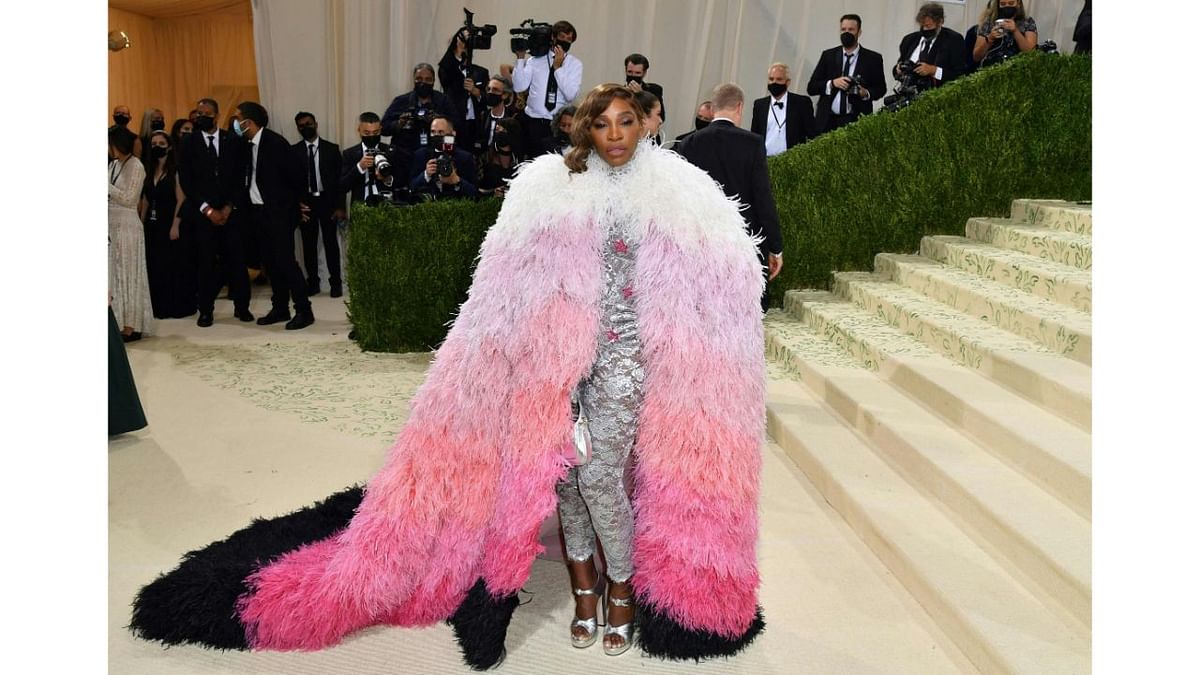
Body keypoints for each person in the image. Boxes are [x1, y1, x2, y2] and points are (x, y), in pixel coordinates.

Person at [131, 83, 767, 669]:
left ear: (645, 125)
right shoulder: (547, 187)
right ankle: (584, 589)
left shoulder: (683, 192)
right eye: (603, 124)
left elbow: (723, 280)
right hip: (552, 364)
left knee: (598, 474)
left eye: (628, 121)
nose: (617, 134)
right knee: (564, 478)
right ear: (585, 132)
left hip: (627, 364)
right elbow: (502, 284)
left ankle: (621, 591)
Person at [678, 82, 784, 312]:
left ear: (714, 108)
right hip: (744, 242)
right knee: (743, 312)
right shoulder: (753, 143)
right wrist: (776, 247)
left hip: (702, 241)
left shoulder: (688, 144)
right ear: (739, 107)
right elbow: (762, 197)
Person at [232, 101, 313, 331]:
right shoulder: (246, 144)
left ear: (249, 121)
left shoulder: (275, 143)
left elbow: (297, 176)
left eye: (238, 118)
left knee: (286, 261)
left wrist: (296, 206)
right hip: (257, 213)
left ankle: (304, 309)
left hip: (279, 213)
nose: (235, 123)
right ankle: (280, 307)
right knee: (270, 263)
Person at [178, 97, 255, 327]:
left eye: (206, 113)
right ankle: (206, 310)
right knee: (206, 263)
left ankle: (242, 307)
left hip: (231, 213)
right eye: (198, 113)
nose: (202, 117)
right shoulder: (188, 143)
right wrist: (207, 209)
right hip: (203, 214)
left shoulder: (232, 140)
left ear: (217, 115)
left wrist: (229, 207)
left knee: (237, 262)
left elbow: (241, 176)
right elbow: (187, 180)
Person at [138, 130, 195, 319]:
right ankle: (159, 306)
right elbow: (146, 199)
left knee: (174, 265)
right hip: (152, 225)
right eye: (153, 143)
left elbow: (181, 199)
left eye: (161, 143)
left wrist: (175, 225)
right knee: (156, 266)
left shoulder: (175, 171)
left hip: (170, 222)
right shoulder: (148, 170)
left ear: (169, 147)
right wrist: (141, 221)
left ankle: (177, 306)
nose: (157, 147)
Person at [805, 14, 887, 135]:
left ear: (859, 32)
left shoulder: (873, 58)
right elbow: (812, 87)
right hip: (827, 122)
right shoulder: (828, 55)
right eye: (843, 29)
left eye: (851, 29)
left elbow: (881, 89)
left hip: (856, 121)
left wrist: (865, 93)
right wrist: (832, 83)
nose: (846, 33)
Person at [109, 126, 155, 342]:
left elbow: (129, 199)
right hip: (111, 225)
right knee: (115, 274)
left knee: (128, 272)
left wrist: (106, 187)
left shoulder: (136, 165)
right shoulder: (114, 165)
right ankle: (118, 321)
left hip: (127, 226)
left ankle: (131, 325)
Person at [292, 112, 344, 298]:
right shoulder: (294, 151)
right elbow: (290, 183)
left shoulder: (331, 149)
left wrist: (340, 207)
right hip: (306, 203)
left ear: (316, 124)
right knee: (308, 244)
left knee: (331, 243)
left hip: (327, 201)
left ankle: (336, 282)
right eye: (301, 125)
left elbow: (340, 182)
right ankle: (313, 282)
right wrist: (296, 204)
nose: (306, 127)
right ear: (297, 128)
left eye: (309, 123)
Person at [512, 20, 583, 157]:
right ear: (553, 37)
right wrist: (520, 59)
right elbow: (519, 86)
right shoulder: (535, 60)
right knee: (530, 163)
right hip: (533, 121)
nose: (565, 42)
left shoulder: (575, 64)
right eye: (562, 37)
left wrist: (557, 68)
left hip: (556, 125)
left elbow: (570, 95)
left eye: (569, 39)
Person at [382, 63, 459, 155]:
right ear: (414, 80)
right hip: (405, 153)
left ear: (433, 81)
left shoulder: (443, 101)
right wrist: (399, 124)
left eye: (428, 80)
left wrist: (438, 120)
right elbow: (383, 128)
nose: (423, 83)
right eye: (419, 79)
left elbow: (457, 125)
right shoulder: (401, 101)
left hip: (435, 152)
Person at [438, 29, 490, 155]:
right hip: (453, 122)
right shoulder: (448, 68)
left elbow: (487, 99)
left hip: (473, 123)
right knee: (450, 153)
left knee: (471, 156)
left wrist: (475, 91)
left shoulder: (481, 72)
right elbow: (446, 78)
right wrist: (457, 51)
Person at [894, 3, 967, 89]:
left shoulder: (953, 40)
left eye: (928, 26)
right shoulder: (909, 40)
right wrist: (898, 69)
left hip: (937, 94)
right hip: (908, 93)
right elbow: (899, 65)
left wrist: (934, 70)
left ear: (940, 22)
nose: (924, 29)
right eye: (922, 26)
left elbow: (960, 75)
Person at [750, 63, 815, 156]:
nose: (774, 82)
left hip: (793, 160)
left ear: (788, 82)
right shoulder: (759, 105)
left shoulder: (802, 103)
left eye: (779, 79)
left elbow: (812, 134)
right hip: (765, 161)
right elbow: (755, 135)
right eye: (771, 79)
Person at [408, 115, 478, 201]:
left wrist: (457, 181)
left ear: (452, 134)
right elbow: (411, 187)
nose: (436, 135)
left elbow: (475, 193)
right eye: (433, 132)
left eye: (441, 132)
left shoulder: (465, 157)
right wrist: (426, 175)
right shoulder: (421, 155)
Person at [340, 112, 403, 205]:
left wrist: (387, 179)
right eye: (367, 133)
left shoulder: (391, 151)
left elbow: (402, 181)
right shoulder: (350, 154)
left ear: (380, 130)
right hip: (360, 207)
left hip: (385, 206)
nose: (371, 136)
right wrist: (359, 167)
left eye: (375, 132)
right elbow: (343, 187)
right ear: (359, 131)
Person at [973, 0, 1038, 69]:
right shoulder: (989, 22)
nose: (1007, 6)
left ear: (1018, 3)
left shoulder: (1027, 22)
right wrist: (990, 39)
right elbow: (976, 57)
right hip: (991, 67)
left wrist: (1015, 31)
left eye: (1011, 3)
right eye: (1003, 4)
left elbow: (1030, 53)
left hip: (1019, 68)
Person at [476, 75, 519, 159]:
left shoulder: (513, 117)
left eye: (495, 90)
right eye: (489, 89)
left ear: (505, 95)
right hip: (483, 160)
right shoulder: (483, 115)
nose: (490, 92)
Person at [476, 117, 520, 199]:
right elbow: (475, 188)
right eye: (497, 131)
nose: (500, 134)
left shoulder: (520, 161)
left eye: (504, 131)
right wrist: (492, 192)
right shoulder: (484, 158)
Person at [623, 53, 665, 123]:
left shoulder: (654, 90)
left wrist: (642, 95)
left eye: (637, 73)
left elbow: (661, 117)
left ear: (644, 73)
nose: (633, 75)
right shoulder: (618, 92)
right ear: (625, 71)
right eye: (630, 72)